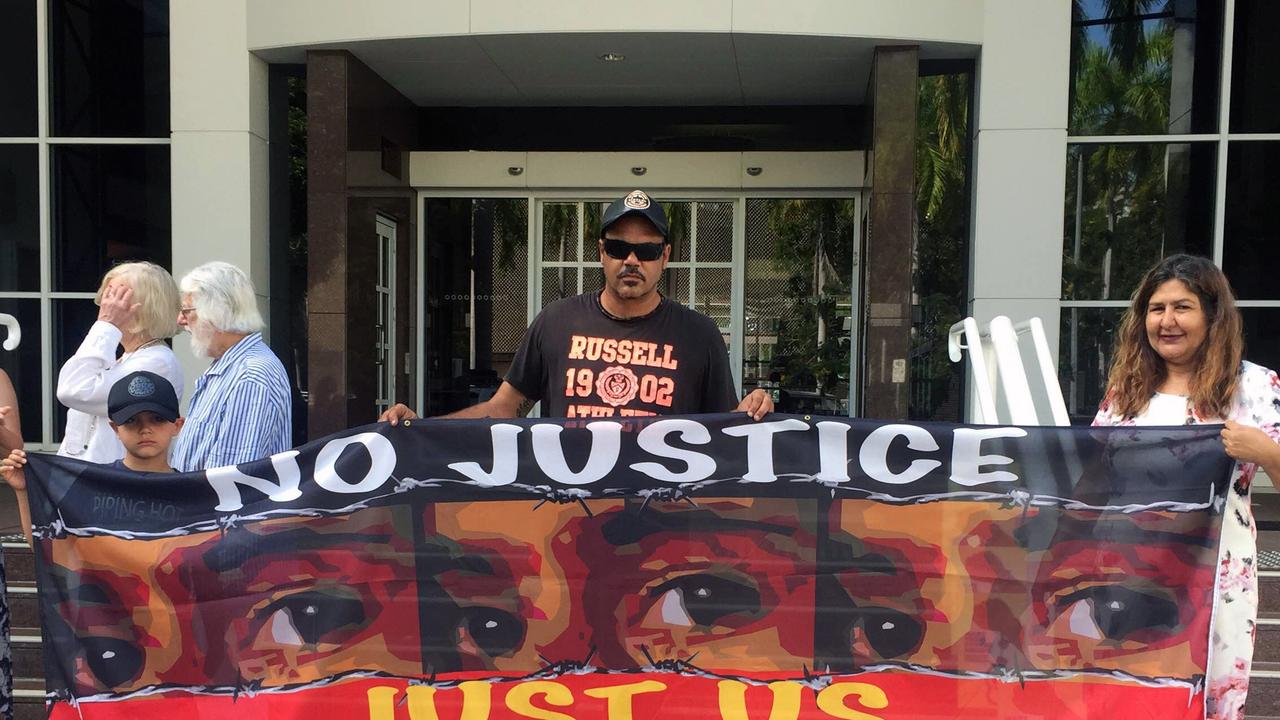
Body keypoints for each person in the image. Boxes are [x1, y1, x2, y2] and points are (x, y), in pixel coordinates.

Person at [381, 189, 773, 423]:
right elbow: (504, 408)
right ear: (601, 251)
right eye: (618, 247)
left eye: (647, 250)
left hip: (662, 522)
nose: (631, 260)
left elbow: (726, 430)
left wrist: (757, 410)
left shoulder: (699, 334)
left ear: (665, 256)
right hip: (569, 517)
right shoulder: (557, 322)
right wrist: (422, 430)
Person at [1091, 254, 1280, 719]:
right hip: (1128, 570)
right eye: (1156, 308)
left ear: (1212, 316)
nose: (1167, 321)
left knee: (1209, 694)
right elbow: (1091, 472)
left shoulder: (1254, 386)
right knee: (1126, 694)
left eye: (1183, 307)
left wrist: (1265, 452)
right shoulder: (1126, 390)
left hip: (1214, 576)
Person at [3, 371, 185, 543]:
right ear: (115, 429)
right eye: (131, 420)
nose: (145, 429)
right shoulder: (91, 486)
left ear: (177, 425)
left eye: (157, 419)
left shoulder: (192, 493)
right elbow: (49, 546)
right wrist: (23, 492)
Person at [168, 262, 292, 472]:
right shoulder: (232, 367)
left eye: (187, 310)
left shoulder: (250, 376)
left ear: (216, 313)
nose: (181, 320)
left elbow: (230, 480)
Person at [56, 262, 184, 463]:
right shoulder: (130, 357)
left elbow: (73, 390)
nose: (105, 305)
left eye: (116, 298)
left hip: (110, 479)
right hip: (86, 475)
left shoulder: (157, 362)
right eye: (106, 297)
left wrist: (106, 326)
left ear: (146, 308)